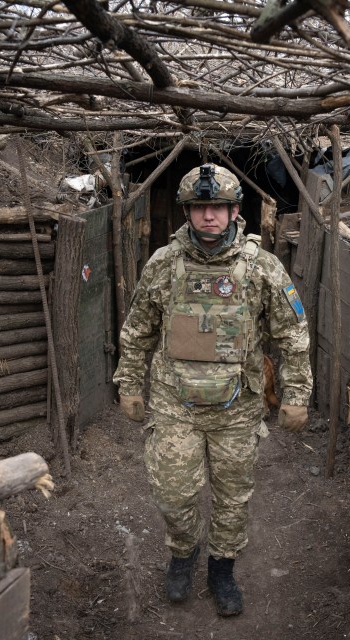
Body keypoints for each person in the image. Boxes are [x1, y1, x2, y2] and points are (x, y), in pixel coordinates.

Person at [112, 163, 312, 616]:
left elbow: (292, 335)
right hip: (173, 404)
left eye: (217, 208)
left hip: (236, 409)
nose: (208, 217)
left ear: (234, 210)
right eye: (200, 208)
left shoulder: (262, 267)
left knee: (232, 496)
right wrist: (128, 384)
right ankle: (183, 553)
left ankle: (222, 567)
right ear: (188, 212)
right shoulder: (164, 264)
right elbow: (138, 330)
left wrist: (297, 395)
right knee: (174, 493)